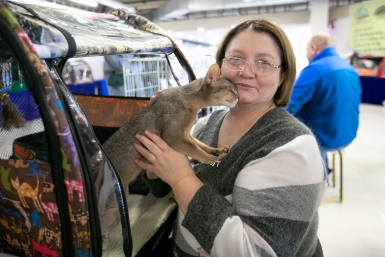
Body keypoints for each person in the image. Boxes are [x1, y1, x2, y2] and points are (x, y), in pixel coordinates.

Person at [133, 19, 326, 257]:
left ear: (283, 75)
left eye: (263, 62)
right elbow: (162, 189)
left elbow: (255, 252)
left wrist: (182, 176)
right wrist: (158, 144)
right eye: (236, 59)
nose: (246, 71)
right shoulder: (205, 125)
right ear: (220, 66)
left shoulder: (292, 148)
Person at [286, 33, 362, 165]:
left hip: (324, 138)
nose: (306, 54)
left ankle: (313, 173)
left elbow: (289, 106)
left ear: (313, 48)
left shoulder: (316, 69)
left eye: (306, 50)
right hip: (346, 134)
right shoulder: (349, 68)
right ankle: (323, 166)